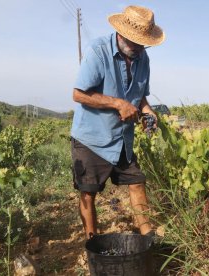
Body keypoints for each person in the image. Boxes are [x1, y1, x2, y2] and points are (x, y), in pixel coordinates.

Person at [70, 5, 165, 239]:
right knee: (88, 192)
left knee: (137, 182)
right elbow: (79, 94)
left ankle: (147, 238)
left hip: (122, 138)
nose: (139, 49)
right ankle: (92, 244)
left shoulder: (143, 59)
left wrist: (149, 112)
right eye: (135, 43)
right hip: (92, 138)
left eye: (143, 44)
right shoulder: (98, 51)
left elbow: (140, 96)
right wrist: (118, 103)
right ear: (121, 35)